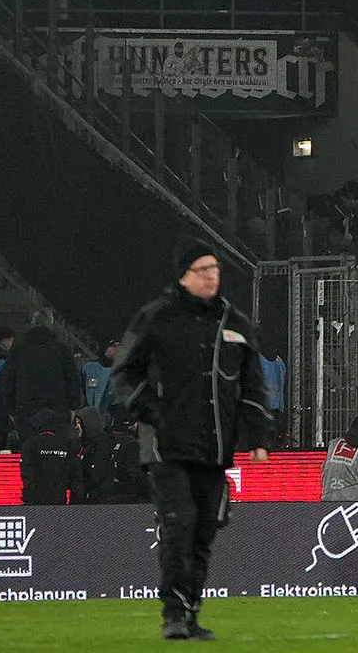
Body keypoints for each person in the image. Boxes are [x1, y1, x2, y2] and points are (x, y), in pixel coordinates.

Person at [109, 240, 272, 642]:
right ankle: (174, 614)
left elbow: (253, 386)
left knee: (204, 530)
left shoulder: (236, 323)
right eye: (202, 269)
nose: (211, 276)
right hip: (165, 446)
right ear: (183, 275)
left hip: (215, 448)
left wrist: (259, 437)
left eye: (215, 268)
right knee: (179, 524)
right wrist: (151, 412)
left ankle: (191, 610)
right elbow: (123, 374)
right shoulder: (157, 317)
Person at [0, 324, 81, 439]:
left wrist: (11, 409)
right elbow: (72, 379)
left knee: (29, 451)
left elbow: (8, 382)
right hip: (58, 410)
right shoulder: (62, 348)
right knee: (57, 450)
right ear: (51, 324)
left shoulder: (17, 349)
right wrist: (73, 405)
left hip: (26, 411)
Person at [20, 407, 82, 505]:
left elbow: (28, 473)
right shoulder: (65, 445)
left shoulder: (31, 444)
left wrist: (28, 497)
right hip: (59, 500)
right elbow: (74, 476)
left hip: (35, 502)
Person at [74, 405, 119, 503]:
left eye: (79, 423)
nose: (77, 427)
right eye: (76, 423)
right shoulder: (83, 445)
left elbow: (95, 477)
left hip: (98, 504)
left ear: (88, 424)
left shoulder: (101, 447)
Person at [82, 339, 119, 413]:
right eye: (114, 346)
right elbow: (82, 389)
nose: (117, 349)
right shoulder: (89, 368)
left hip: (113, 415)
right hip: (90, 414)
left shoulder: (122, 371)